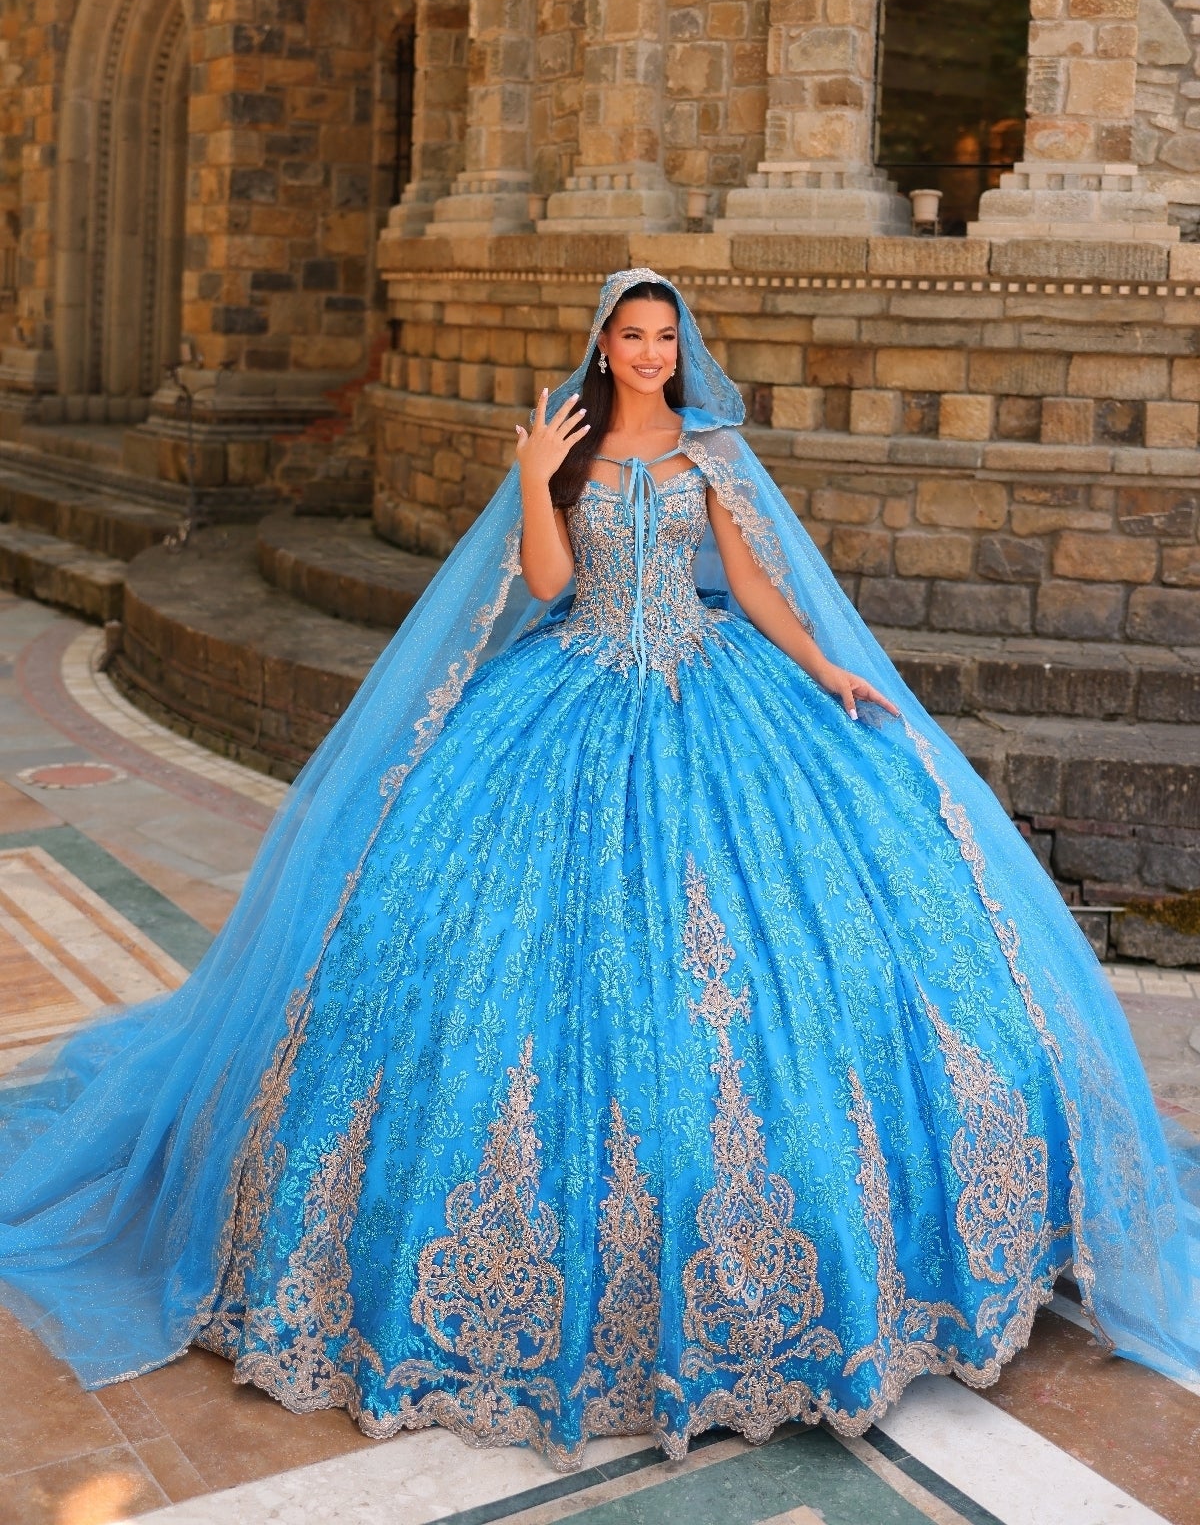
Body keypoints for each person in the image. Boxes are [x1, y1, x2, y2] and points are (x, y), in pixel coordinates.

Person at [1, 268, 1197, 1467]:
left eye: (664, 339)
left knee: (784, 951)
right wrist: (533, 475)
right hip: (568, 699)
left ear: (682, 351)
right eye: (631, 335)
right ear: (603, 343)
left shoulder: (712, 454)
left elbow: (757, 585)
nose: (648, 354)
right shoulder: (565, 448)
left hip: (711, 692)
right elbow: (549, 587)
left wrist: (827, 667)